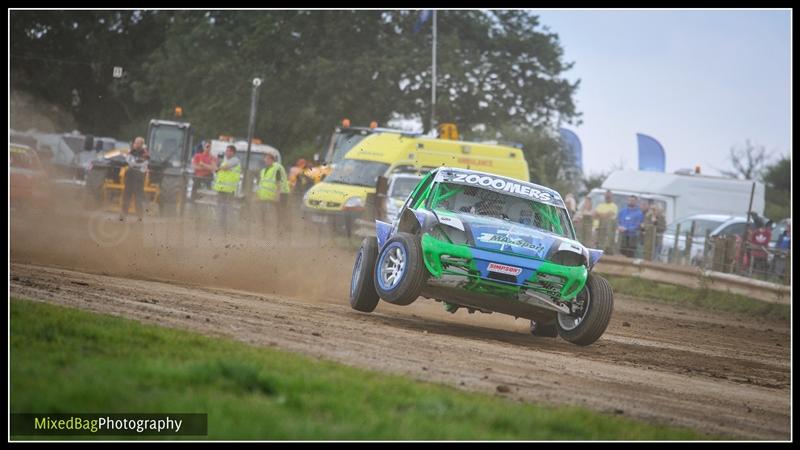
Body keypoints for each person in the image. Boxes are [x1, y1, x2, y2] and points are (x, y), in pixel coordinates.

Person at [256, 153, 290, 236]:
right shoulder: (263, 170)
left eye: (267, 159)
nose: (265, 160)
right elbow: (261, 184)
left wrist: (277, 195)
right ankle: (265, 233)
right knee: (265, 215)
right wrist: (257, 195)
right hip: (266, 196)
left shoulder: (276, 168)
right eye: (265, 159)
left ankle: (280, 234)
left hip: (278, 195)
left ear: (272, 160)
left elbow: (278, 183)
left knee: (279, 215)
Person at [119, 136, 149, 222]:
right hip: (130, 175)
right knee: (126, 196)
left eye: (136, 143)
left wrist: (134, 163)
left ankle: (140, 217)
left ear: (140, 144)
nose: (134, 144)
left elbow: (142, 164)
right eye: (134, 142)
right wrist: (133, 163)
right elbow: (128, 161)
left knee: (138, 197)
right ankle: (123, 215)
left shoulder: (145, 154)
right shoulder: (131, 152)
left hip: (139, 176)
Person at [213, 145, 241, 234]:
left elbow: (225, 167)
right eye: (226, 150)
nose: (226, 152)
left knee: (227, 210)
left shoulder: (235, 160)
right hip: (221, 189)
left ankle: (229, 229)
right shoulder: (225, 160)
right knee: (220, 210)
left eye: (228, 151)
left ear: (233, 152)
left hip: (229, 190)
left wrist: (218, 167)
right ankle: (222, 229)